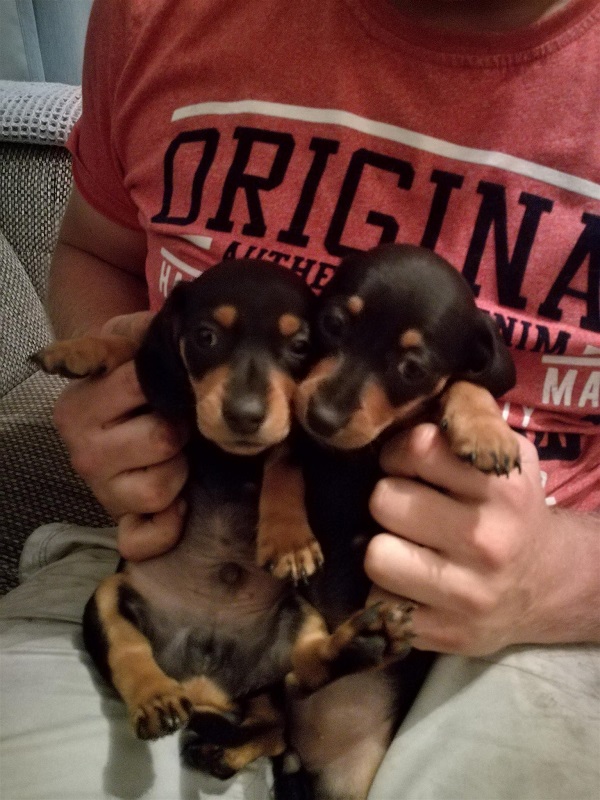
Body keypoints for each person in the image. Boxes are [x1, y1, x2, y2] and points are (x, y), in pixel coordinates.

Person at [1, 0, 599, 798]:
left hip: (516, 634)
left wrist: (563, 579)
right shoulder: (157, 10)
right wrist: (126, 395)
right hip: (178, 560)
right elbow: (94, 247)